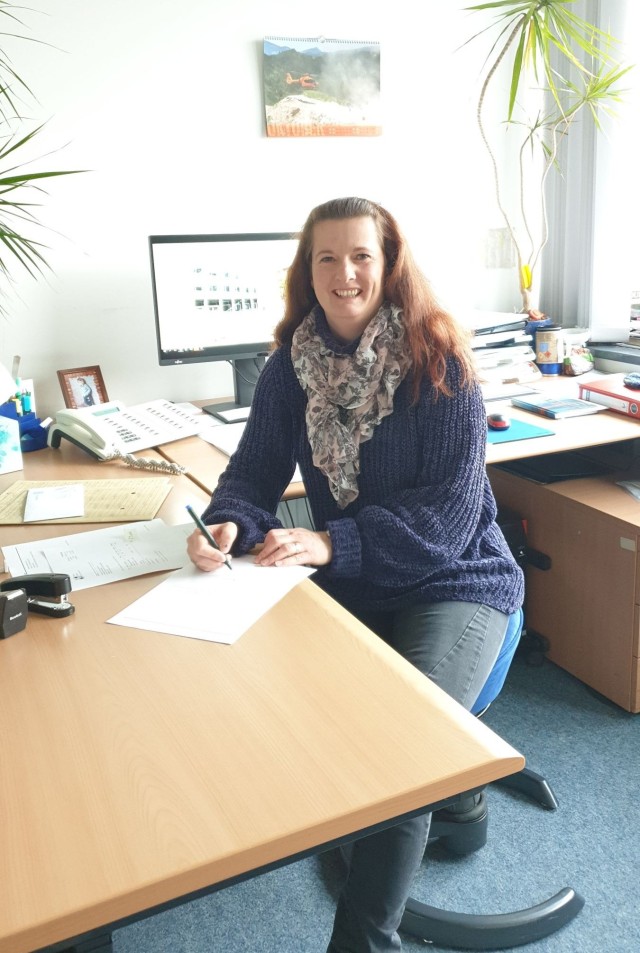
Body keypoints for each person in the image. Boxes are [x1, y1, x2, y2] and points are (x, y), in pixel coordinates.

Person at [187, 196, 525, 953]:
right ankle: (458, 793)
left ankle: (365, 940)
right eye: (327, 258)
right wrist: (230, 521)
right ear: (307, 272)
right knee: (299, 708)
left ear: (389, 262)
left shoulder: (442, 364)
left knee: (399, 744)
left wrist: (331, 545)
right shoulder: (291, 368)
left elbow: (444, 518)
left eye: (361, 256)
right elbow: (251, 473)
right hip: (356, 579)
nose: (345, 273)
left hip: (456, 580)